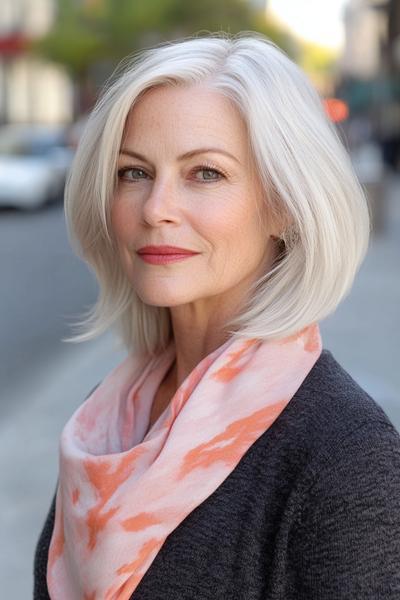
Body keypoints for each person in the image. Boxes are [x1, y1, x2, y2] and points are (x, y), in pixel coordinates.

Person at [33, 32, 400, 599]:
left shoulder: (345, 457)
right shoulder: (107, 419)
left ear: (283, 203)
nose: (156, 208)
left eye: (205, 173)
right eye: (134, 172)